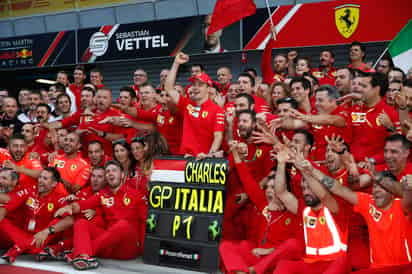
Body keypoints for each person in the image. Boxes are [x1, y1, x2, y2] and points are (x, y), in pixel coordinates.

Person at [219, 141, 299, 274]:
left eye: (273, 187)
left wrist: (269, 251)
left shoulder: (294, 211)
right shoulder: (263, 205)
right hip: (257, 258)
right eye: (267, 187)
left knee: (293, 244)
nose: (268, 190)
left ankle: (253, 271)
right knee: (227, 246)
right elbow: (247, 179)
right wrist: (236, 155)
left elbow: (289, 248)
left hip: (276, 262)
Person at [54, 160, 147, 270]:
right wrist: (69, 207)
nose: (110, 173)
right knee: (81, 223)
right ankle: (83, 256)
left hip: (127, 248)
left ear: (122, 175)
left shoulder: (136, 195)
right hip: (107, 245)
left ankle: (79, 253)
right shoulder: (103, 194)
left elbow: (144, 222)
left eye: (114, 170)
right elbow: (84, 204)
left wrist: (143, 249)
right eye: (107, 172)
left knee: (123, 225)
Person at [317, 167, 412, 271]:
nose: (376, 190)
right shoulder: (368, 203)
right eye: (375, 186)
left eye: (382, 187)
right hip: (376, 269)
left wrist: (409, 188)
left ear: (393, 192)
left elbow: (408, 199)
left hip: (403, 269)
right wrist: (311, 170)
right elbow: (339, 189)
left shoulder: (401, 205)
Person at [0, 167, 73, 264]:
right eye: (40, 177)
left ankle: (17, 249)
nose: (40, 181)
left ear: (54, 184)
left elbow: (70, 220)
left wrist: (47, 231)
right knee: (2, 219)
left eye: (45, 179)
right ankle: (26, 247)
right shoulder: (30, 190)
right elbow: (8, 205)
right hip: (24, 236)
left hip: (43, 239)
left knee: (57, 220)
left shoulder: (60, 198)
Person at [164, 52, 224, 157]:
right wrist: (176, 63)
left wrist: (209, 156)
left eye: (200, 85)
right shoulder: (187, 104)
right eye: (194, 84)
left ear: (209, 88)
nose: (195, 87)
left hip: (204, 161)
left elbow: (218, 136)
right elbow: (168, 88)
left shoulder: (217, 110)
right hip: (185, 159)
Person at [350, 73, 401, 164]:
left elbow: (398, 147)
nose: (359, 89)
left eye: (364, 86)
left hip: (377, 167)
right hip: (351, 165)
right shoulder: (354, 110)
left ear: (376, 89)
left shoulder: (390, 113)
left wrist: (371, 161)